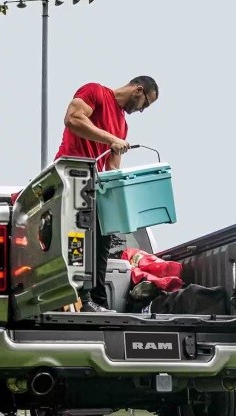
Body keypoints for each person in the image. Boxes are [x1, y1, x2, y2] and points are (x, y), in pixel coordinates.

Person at [54, 76, 159, 313]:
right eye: (145, 103)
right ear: (138, 90)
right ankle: (81, 296)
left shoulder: (122, 125)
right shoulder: (96, 92)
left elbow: (112, 168)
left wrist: (123, 203)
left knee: (103, 238)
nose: (142, 110)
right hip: (72, 178)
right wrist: (111, 139)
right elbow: (72, 119)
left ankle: (97, 301)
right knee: (78, 239)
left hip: (96, 186)